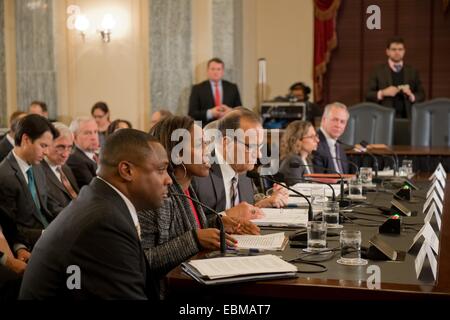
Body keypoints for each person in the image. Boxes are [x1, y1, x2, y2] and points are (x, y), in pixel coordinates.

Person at [19, 129, 172, 299]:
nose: (168, 179)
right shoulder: (104, 222)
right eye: (161, 170)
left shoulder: (102, 201)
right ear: (127, 171)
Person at [139, 116, 248, 282]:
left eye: (207, 143)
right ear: (176, 153)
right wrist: (195, 239)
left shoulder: (188, 188)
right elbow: (144, 261)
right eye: (200, 145)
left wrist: (218, 223)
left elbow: (189, 226)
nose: (208, 151)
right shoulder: (157, 197)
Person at [193, 109, 289, 220]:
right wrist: (226, 216)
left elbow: (244, 211)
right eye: (251, 147)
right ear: (226, 142)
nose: (258, 155)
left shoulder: (243, 171)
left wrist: (262, 203)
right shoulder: (199, 173)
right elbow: (193, 227)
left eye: (260, 146)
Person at [0, 114, 59, 249]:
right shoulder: (4, 176)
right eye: (43, 145)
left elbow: (49, 203)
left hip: (51, 234)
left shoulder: (37, 166)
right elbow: (11, 229)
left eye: (49, 146)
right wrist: (45, 234)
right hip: (32, 244)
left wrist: (70, 218)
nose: (47, 152)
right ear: (26, 139)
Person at [366, 36, 425, 119]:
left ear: (404, 51)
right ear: (387, 51)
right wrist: (383, 93)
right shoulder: (378, 71)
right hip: (384, 117)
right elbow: (368, 94)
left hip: (408, 117)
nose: (397, 52)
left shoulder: (412, 71)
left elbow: (422, 95)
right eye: (394, 49)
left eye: (400, 49)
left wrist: (411, 95)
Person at [188, 58, 242, 125]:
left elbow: (240, 111)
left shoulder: (232, 87)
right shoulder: (197, 88)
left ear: (222, 72)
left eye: (218, 69)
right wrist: (210, 113)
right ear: (207, 71)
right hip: (206, 129)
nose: (215, 72)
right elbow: (192, 113)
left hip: (229, 128)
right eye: (213, 69)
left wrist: (230, 112)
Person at [41, 123, 79, 215]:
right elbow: (52, 210)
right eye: (60, 147)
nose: (65, 154)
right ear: (47, 144)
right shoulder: (38, 172)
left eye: (69, 147)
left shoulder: (65, 168)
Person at [313, 102, 350, 174]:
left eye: (342, 122)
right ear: (324, 119)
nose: (338, 125)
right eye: (335, 120)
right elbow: (319, 179)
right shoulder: (315, 143)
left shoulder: (339, 146)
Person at [279, 121, 319, 186]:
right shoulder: (293, 161)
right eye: (312, 137)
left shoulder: (306, 159)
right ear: (297, 140)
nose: (317, 140)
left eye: (316, 136)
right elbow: (298, 190)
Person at [67, 117, 99, 188]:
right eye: (87, 133)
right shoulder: (74, 159)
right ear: (74, 137)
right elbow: (93, 188)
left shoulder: (99, 156)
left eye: (95, 132)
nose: (94, 137)